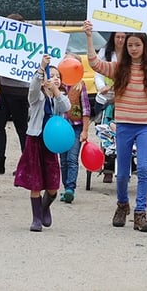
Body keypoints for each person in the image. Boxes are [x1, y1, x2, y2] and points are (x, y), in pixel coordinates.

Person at [84, 21, 147, 233]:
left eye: (136, 45)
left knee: (143, 168)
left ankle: (140, 212)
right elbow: (95, 64)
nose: (133, 48)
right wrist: (88, 35)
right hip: (123, 126)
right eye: (129, 45)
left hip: (146, 126)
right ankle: (122, 205)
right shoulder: (119, 69)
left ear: (143, 47)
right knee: (122, 174)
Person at [14, 55, 70, 231]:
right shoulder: (37, 97)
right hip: (35, 140)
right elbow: (32, 89)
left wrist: (55, 90)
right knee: (35, 181)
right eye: (51, 75)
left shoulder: (59, 98)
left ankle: (45, 206)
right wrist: (41, 69)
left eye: (57, 76)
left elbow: (66, 107)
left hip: (51, 144)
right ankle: (36, 218)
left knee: (53, 185)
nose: (55, 78)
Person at [0, 14, 30, 175]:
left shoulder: (27, 45)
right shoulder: (2, 44)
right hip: (4, 92)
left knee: (21, 129)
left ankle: (26, 163)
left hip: (21, 94)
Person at [59, 53, 91, 204]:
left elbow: (86, 110)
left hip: (75, 127)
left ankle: (70, 188)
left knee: (72, 159)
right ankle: (65, 186)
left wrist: (85, 130)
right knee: (63, 160)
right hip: (60, 129)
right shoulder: (57, 85)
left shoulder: (80, 86)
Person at [92, 31, 125, 119]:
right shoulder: (104, 52)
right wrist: (102, 87)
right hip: (103, 100)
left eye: (123, 37)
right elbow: (98, 73)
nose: (120, 40)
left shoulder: (129, 55)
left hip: (122, 101)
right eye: (118, 37)